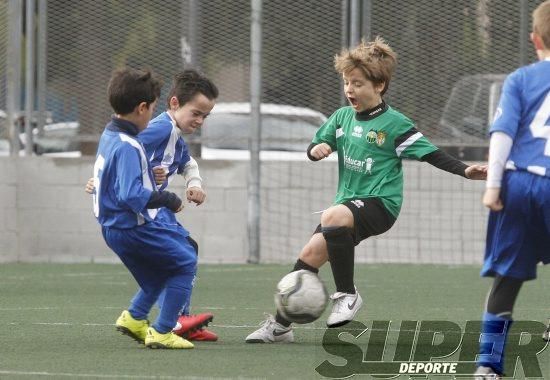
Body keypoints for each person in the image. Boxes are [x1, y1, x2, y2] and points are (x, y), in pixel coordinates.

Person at [245, 37, 487, 343]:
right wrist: (316, 149)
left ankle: (347, 294)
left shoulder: (395, 124)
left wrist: (465, 170)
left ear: (380, 86)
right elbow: (316, 144)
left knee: (333, 216)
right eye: (347, 83)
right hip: (347, 204)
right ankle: (281, 327)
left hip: (381, 204)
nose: (350, 90)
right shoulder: (341, 117)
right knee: (309, 255)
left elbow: (432, 154)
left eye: (358, 84)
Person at [87, 69, 219, 341]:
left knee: (177, 258)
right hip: (141, 212)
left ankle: (150, 318)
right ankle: (171, 325)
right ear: (172, 104)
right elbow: (128, 153)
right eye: (196, 113)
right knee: (182, 261)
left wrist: (193, 183)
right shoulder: (157, 128)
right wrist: (103, 180)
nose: (200, 120)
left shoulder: (166, 132)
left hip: (135, 213)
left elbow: (186, 161)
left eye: (205, 115)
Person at [473, 1, 550, 378]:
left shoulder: (520, 79)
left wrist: (493, 186)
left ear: (535, 38)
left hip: (518, 183)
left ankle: (488, 366)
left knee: (508, 276)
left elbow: (502, 133)